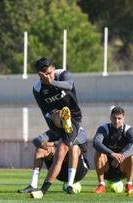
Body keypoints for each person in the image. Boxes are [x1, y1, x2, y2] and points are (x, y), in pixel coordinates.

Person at [18, 57, 87, 196]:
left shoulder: (62, 74)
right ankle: (33, 185)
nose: (48, 76)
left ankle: (45, 191)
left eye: (50, 72)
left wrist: (52, 82)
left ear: (54, 68)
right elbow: (44, 113)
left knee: (61, 151)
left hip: (73, 117)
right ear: (39, 75)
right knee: (54, 116)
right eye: (45, 74)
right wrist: (47, 144)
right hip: (56, 123)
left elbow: (69, 85)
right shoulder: (37, 89)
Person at [93, 106, 133, 194]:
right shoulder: (104, 128)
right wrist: (112, 154)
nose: (116, 121)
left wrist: (122, 156)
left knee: (132, 155)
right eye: (114, 118)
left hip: (122, 168)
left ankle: (129, 185)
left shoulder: (128, 130)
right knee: (98, 152)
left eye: (119, 118)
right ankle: (101, 185)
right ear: (110, 117)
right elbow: (96, 143)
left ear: (123, 119)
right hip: (106, 168)